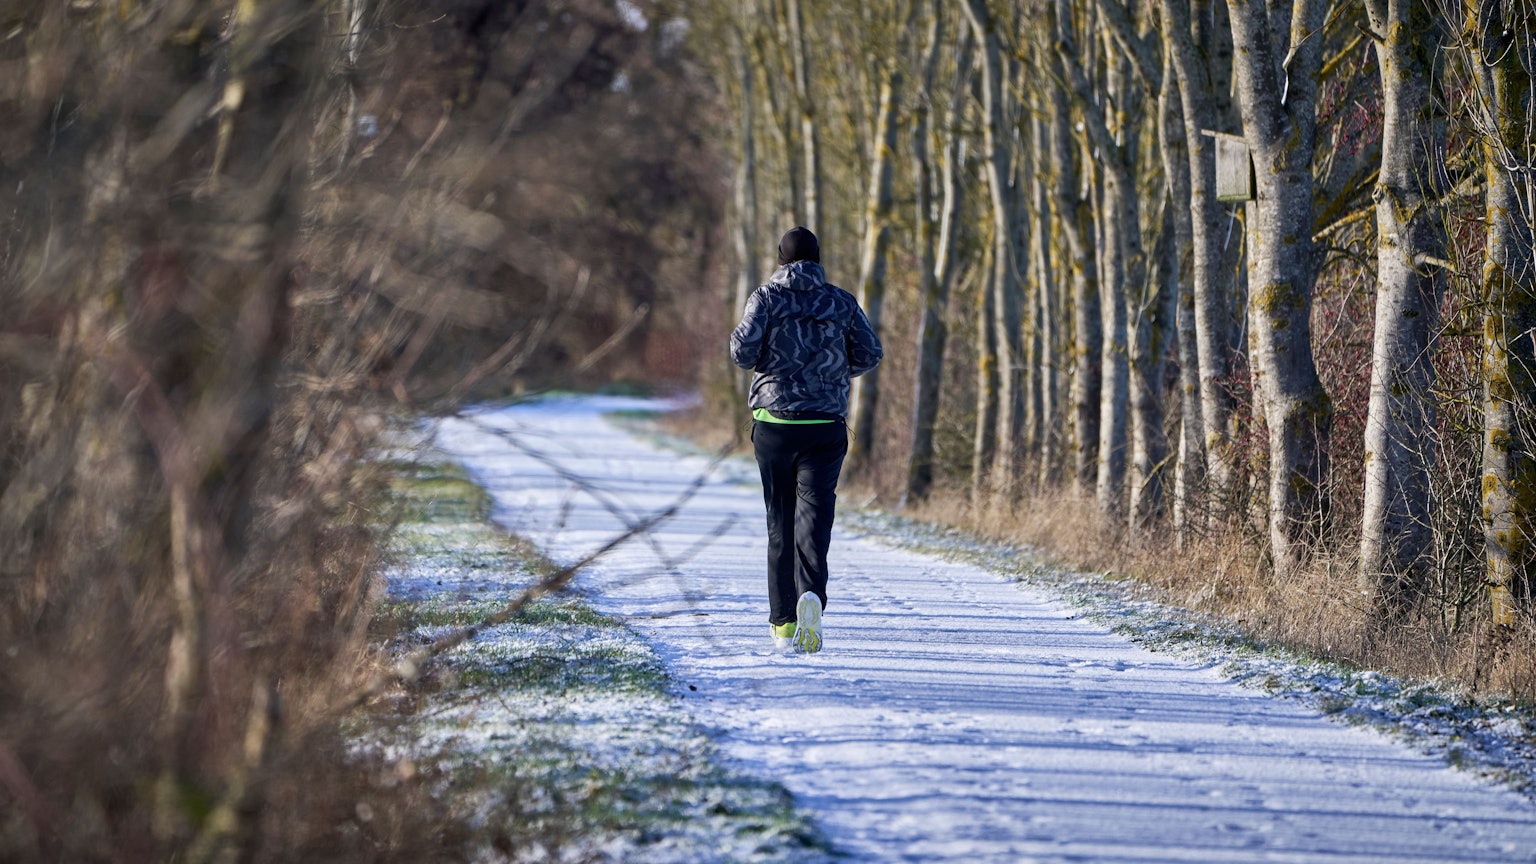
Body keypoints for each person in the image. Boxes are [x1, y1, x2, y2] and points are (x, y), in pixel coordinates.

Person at [729, 227, 882, 653]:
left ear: (780, 258)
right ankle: (811, 597)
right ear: (818, 258)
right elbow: (870, 353)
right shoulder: (841, 300)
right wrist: (830, 376)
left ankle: (782, 625)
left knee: (780, 522)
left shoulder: (765, 298)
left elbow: (742, 354)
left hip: (774, 425)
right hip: (824, 427)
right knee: (814, 522)